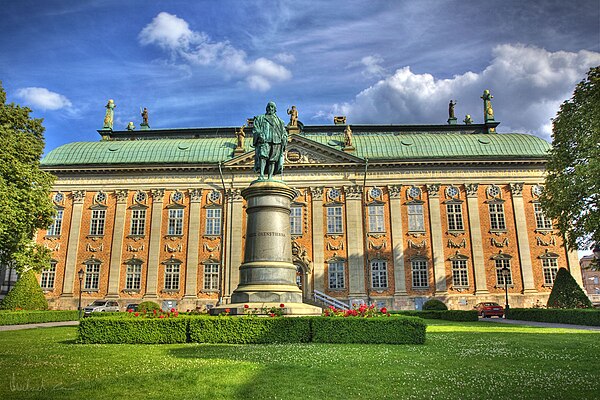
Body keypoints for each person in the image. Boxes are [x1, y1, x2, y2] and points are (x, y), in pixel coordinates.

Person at [252, 101, 288, 180]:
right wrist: (259, 134)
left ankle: (270, 177)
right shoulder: (260, 118)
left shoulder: (280, 121)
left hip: (276, 141)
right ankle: (261, 175)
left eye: (272, 107)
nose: (270, 108)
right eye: (269, 107)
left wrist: (284, 138)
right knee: (263, 156)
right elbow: (256, 128)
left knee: (273, 159)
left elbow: (284, 132)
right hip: (265, 140)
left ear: (275, 109)